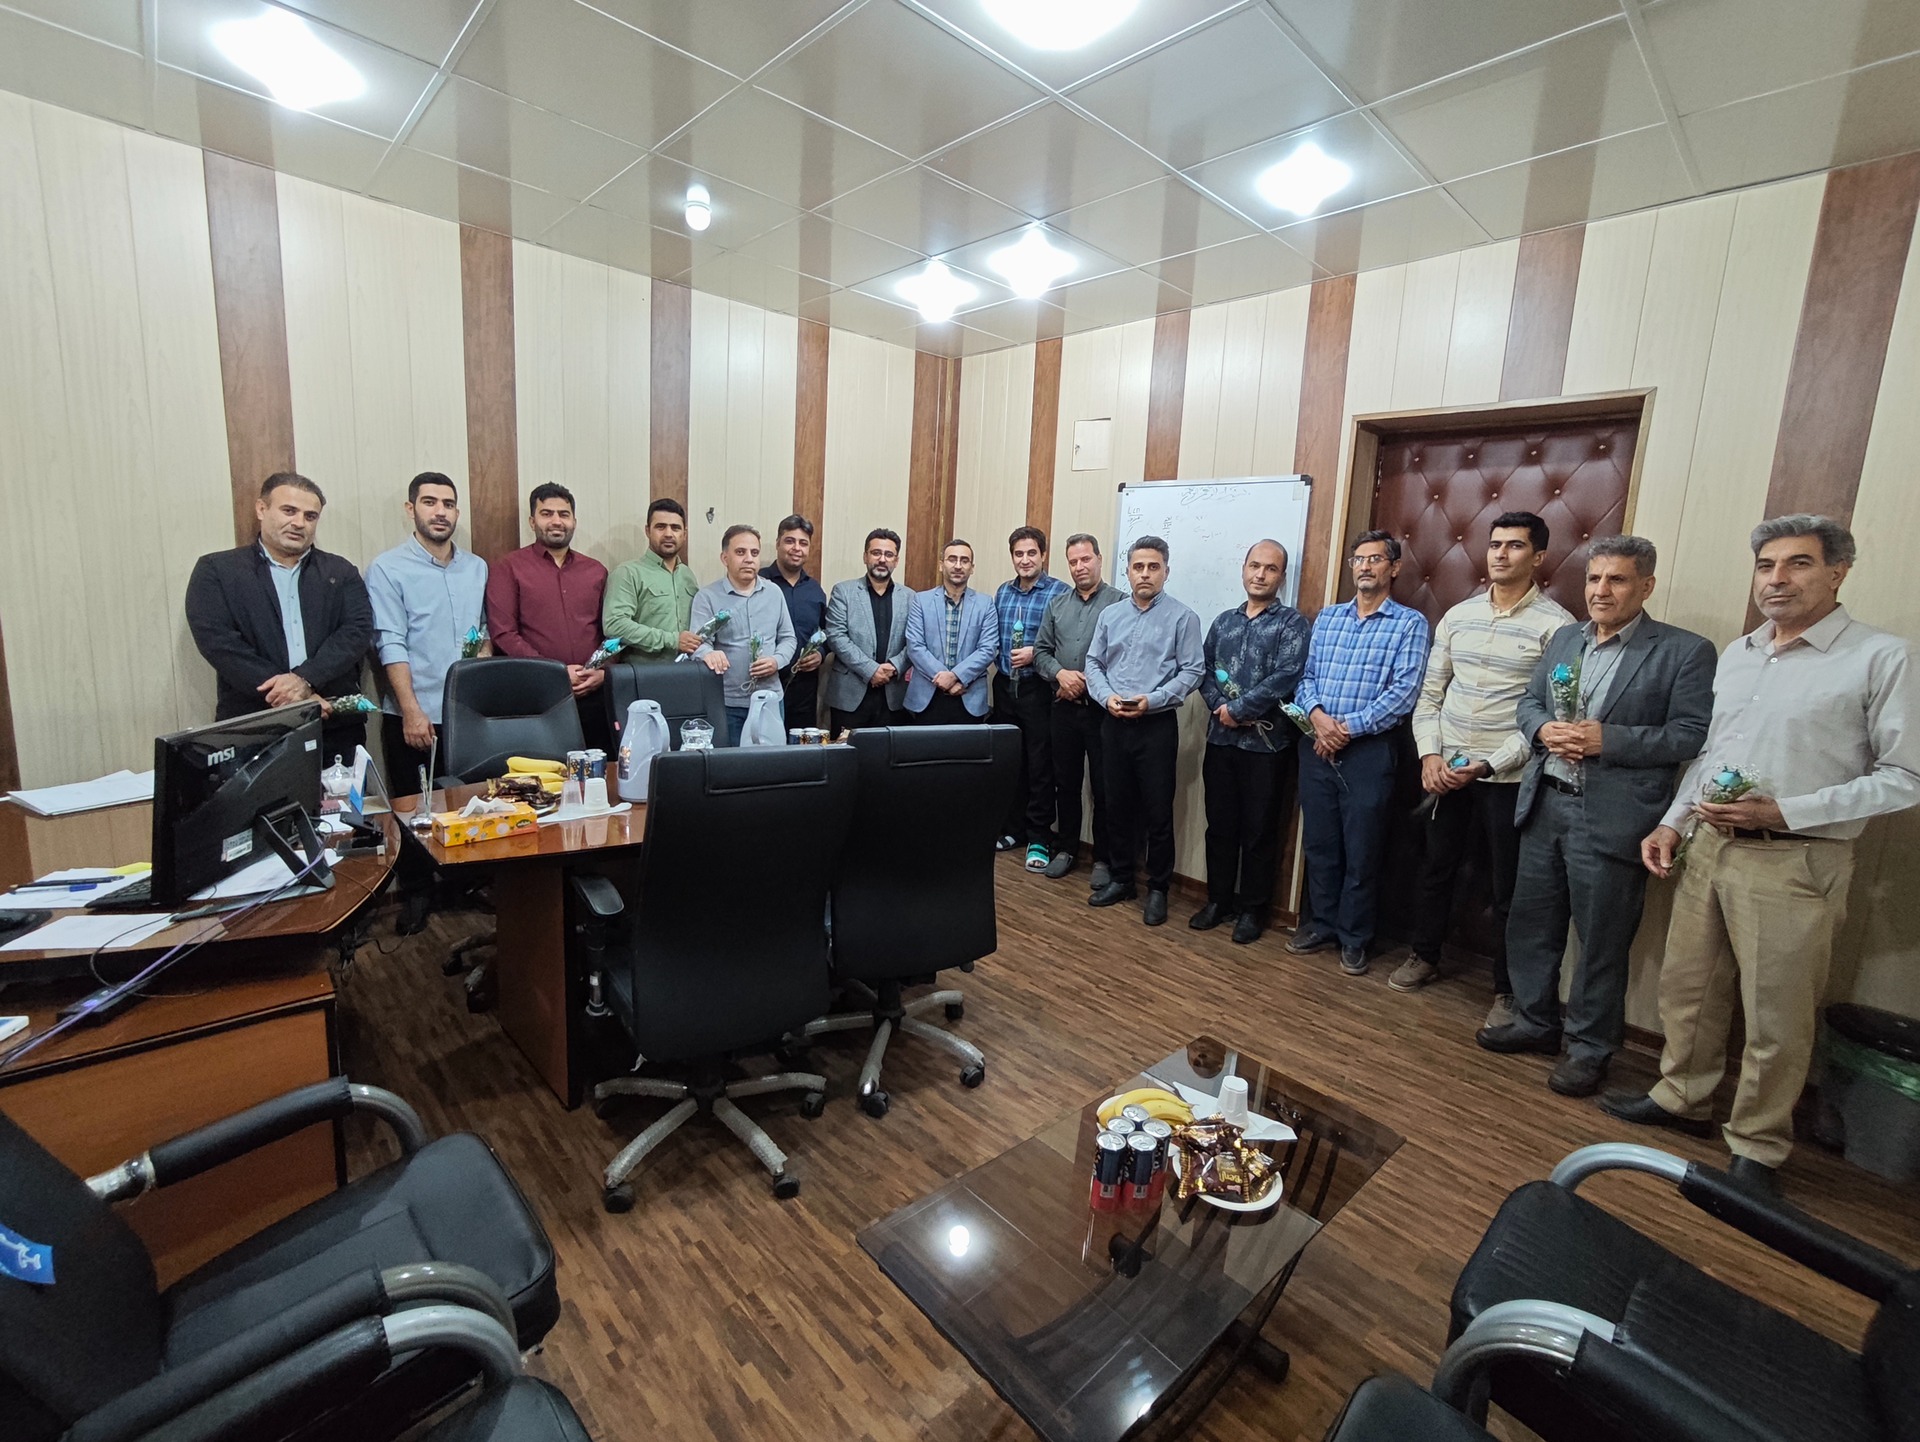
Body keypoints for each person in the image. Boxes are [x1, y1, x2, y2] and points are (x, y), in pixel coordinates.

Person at [1605, 515, 1918, 1194]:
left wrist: (1786, 811)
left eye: (1798, 564)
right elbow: (1713, 755)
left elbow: (1905, 777)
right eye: (1766, 566)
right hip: (1709, 848)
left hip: (1796, 859)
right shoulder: (1741, 653)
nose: (1777, 579)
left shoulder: (1880, 657)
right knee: (1688, 991)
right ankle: (1682, 1098)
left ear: (1838, 572)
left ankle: (1758, 1144)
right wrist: (1672, 822)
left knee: (1776, 1014)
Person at [1477, 535, 1715, 1099]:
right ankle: (1535, 1021)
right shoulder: (1567, 638)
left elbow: (1691, 734)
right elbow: (1528, 702)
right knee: (1531, 924)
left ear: (1646, 586)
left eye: (1617, 579)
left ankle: (1589, 1048)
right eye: (1594, 579)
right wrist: (1542, 728)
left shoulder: (1683, 651)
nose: (1601, 591)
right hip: (1545, 805)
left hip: (1612, 816)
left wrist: (1609, 740)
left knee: (1601, 941)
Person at [1395, 512, 1575, 1019]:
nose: (1500, 554)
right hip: (1446, 768)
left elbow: (1548, 716)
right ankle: (1424, 954)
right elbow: (1431, 695)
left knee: (1508, 885)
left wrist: (1490, 764)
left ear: (1538, 557)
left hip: (1509, 776)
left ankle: (1506, 989)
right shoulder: (1459, 615)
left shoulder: (1558, 627)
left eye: (1515, 546)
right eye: (1495, 544)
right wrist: (1430, 754)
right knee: (1436, 867)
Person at [1286, 531, 1430, 976]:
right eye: (1359, 559)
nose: (1365, 566)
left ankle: (1354, 937)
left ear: (1394, 567)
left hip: (1369, 751)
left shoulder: (1409, 624)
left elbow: (1404, 693)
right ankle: (1322, 924)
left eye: (1375, 559)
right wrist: (1318, 718)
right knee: (1320, 844)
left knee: (1362, 849)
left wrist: (1345, 729)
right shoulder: (1329, 618)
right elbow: (1306, 677)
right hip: (1316, 744)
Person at [184, 472, 374, 756]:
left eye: (310, 516)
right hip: (254, 726)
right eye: (289, 511)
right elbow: (219, 643)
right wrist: (289, 694)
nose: (299, 523)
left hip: (332, 723)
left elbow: (356, 631)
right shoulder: (217, 571)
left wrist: (305, 680)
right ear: (262, 509)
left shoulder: (340, 571)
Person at [1193, 541, 1310, 945]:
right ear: (1243, 569)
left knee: (1259, 831)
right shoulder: (1223, 622)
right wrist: (1220, 708)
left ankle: (1252, 910)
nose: (1260, 574)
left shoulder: (1292, 624)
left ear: (1282, 576)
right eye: (1255, 566)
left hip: (1267, 746)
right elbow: (1205, 669)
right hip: (1221, 740)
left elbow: (1286, 676)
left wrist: (1239, 709)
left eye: (1270, 569)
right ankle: (1218, 901)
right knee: (1220, 827)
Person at [1084, 537, 1204, 928]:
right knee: (1115, 805)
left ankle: (1158, 888)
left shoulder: (1183, 618)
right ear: (1128, 571)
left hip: (1155, 726)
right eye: (1139, 567)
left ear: (1166, 571)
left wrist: (1152, 700)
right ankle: (1122, 879)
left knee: (1157, 811)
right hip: (1113, 722)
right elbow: (1093, 663)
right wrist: (1106, 698)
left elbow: (1193, 670)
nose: (1145, 574)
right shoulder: (1111, 615)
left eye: (1154, 567)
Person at [365, 472, 489, 797]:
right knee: (419, 813)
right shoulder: (387, 569)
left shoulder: (477, 567)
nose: (440, 512)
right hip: (417, 718)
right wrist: (411, 711)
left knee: (474, 810)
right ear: (411, 509)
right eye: (429, 502)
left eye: (448, 504)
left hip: (469, 717)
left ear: (457, 513)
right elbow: (390, 644)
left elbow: (484, 631)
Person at [485, 483, 611, 750]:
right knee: (541, 772)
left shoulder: (596, 571)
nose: (556, 521)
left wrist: (603, 672)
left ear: (574, 521)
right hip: (535, 696)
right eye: (546, 513)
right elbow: (504, 633)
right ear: (532, 521)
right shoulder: (508, 568)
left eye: (564, 514)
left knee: (597, 771)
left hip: (591, 695)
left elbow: (610, 630)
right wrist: (555, 673)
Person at [1032, 534, 1125, 885]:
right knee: (1065, 783)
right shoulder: (1057, 605)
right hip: (1063, 709)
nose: (1080, 567)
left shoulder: (1120, 603)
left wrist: (1091, 683)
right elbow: (1040, 652)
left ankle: (1103, 859)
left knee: (1104, 787)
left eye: (1086, 559)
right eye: (1073, 561)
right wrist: (1060, 674)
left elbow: (1126, 657)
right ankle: (1067, 848)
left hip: (1103, 712)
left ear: (1099, 559)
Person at [993, 527, 1071, 868]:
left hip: (1038, 688)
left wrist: (1034, 652)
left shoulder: (1059, 592)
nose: (1025, 560)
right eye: (1019, 554)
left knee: (1040, 765)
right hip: (1004, 687)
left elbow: (1065, 643)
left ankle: (1039, 836)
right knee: (1011, 761)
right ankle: (1014, 828)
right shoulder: (1003, 591)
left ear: (1043, 555)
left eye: (1031, 553)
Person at [689, 526, 796, 746]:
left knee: (773, 762)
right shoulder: (707, 597)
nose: (749, 559)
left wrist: (776, 661)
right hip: (728, 703)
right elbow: (697, 644)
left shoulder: (774, 593)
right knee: (732, 764)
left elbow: (788, 638)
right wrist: (709, 653)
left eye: (754, 553)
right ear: (724, 558)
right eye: (740, 552)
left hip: (770, 699)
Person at [823, 528, 912, 734]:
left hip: (893, 696)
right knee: (846, 752)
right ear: (865, 557)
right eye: (876, 553)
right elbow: (836, 636)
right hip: (850, 694)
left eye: (888, 554)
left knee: (889, 753)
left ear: (896, 560)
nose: (882, 559)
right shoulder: (843, 591)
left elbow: (915, 641)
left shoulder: (910, 597)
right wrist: (871, 670)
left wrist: (895, 666)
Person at [903, 539, 997, 726]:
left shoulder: (985, 604)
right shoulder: (921, 601)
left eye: (964, 560)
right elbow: (915, 646)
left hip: (968, 694)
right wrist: (944, 679)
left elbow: (988, 649)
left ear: (972, 568)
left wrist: (956, 677)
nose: (958, 566)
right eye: (952, 559)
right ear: (941, 565)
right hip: (926, 697)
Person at [601, 498, 700, 665]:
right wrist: (672, 640)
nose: (668, 534)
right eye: (660, 527)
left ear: (684, 534)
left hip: (686, 671)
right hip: (643, 673)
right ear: (648, 531)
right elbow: (614, 625)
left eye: (675, 528)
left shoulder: (687, 575)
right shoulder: (628, 573)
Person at [763, 515, 828, 729]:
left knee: (800, 745)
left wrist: (821, 653)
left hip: (804, 688)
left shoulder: (815, 590)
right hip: (764, 683)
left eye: (803, 543)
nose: (796, 548)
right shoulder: (759, 583)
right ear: (777, 544)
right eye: (790, 541)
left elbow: (828, 631)